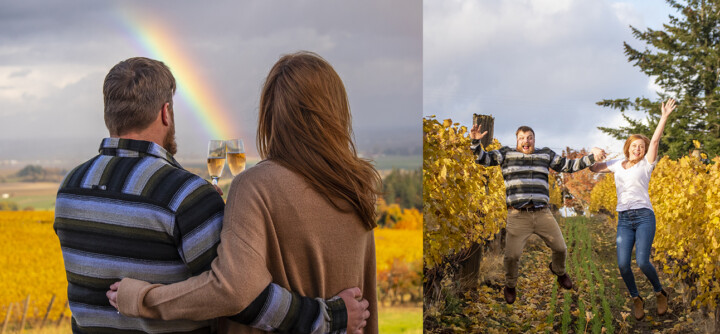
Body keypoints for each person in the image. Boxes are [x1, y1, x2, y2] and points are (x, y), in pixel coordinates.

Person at [55, 57, 366, 334]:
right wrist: (329, 316)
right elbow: (240, 297)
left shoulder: (69, 189)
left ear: (110, 114)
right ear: (166, 113)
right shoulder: (185, 196)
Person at [470, 124, 605, 304]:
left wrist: (591, 158)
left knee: (560, 248)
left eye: (530, 137)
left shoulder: (545, 154)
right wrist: (475, 142)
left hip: (543, 214)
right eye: (522, 138)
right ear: (517, 140)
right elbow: (483, 159)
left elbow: (569, 166)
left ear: (534, 140)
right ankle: (510, 284)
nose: (526, 141)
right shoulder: (506, 154)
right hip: (518, 215)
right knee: (512, 256)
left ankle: (558, 271)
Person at [589, 99, 676, 320]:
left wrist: (664, 117)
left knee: (643, 261)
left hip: (645, 216)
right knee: (622, 264)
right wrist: (593, 153)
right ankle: (636, 298)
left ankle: (659, 292)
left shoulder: (647, 163)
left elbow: (655, 139)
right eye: (634, 145)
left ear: (645, 150)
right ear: (628, 147)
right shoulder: (617, 164)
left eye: (641, 146)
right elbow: (593, 168)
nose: (638, 149)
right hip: (625, 219)